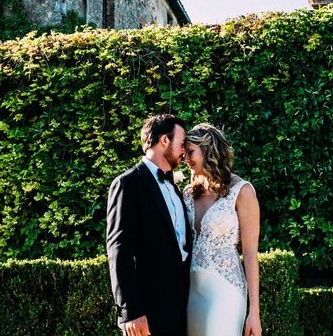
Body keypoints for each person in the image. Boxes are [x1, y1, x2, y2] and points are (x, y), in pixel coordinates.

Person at [107, 114, 193, 336]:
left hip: (180, 308)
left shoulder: (175, 190)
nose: (185, 150)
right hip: (147, 310)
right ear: (164, 140)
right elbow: (119, 251)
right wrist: (130, 312)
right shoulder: (127, 184)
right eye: (181, 142)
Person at [182, 124, 262, 336]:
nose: (185, 160)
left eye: (190, 153)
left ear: (208, 150)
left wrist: (254, 311)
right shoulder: (188, 194)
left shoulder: (241, 191)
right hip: (192, 292)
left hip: (226, 290)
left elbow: (251, 253)